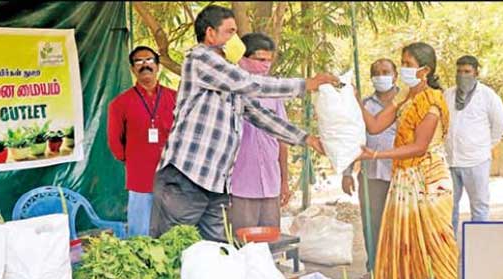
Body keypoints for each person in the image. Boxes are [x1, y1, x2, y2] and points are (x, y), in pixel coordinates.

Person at [149, 4, 336, 241]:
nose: (235, 39)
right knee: (172, 249)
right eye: (230, 32)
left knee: (215, 252)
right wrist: (305, 84)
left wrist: (306, 138)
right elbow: (251, 84)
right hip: (188, 177)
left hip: (214, 183)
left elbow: (259, 115)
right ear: (210, 34)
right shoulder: (201, 59)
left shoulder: (226, 77)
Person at [358, 42, 458, 279]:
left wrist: (378, 154)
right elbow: (375, 126)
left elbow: (419, 147)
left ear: (424, 70)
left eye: (408, 65)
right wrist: (354, 100)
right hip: (404, 178)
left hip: (428, 180)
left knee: (432, 243)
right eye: (402, 63)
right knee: (404, 244)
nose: (403, 69)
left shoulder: (432, 101)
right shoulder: (405, 98)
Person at [107, 46, 177, 237]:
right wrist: (133, 159)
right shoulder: (119, 103)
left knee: (172, 230)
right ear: (132, 69)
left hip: (171, 173)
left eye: (149, 60)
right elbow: (114, 141)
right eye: (138, 61)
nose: (144, 65)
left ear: (158, 66)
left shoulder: (176, 97)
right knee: (140, 231)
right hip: (140, 175)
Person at [226, 32, 290, 232]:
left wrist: (285, 181)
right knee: (241, 247)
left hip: (271, 184)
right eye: (260, 59)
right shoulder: (228, 92)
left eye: (269, 61)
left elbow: (282, 140)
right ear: (243, 60)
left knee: (269, 247)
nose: (266, 65)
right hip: (239, 186)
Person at [341, 59, 399, 271]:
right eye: (376, 72)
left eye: (385, 71)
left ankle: (395, 270)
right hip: (370, 175)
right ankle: (373, 268)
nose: (381, 76)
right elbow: (353, 139)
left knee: (398, 225)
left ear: (395, 75)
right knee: (371, 225)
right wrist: (347, 173)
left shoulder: (405, 102)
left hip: (399, 176)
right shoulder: (364, 105)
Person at [444, 55, 503, 237]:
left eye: (467, 71)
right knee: (448, 208)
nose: (462, 75)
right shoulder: (448, 94)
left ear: (476, 73)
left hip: (476, 161)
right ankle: (449, 249)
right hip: (450, 161)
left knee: (479, 207)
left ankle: (478, 247)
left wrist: (486, 145)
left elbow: (500, 124)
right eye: (459, 71)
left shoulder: (487, 96)